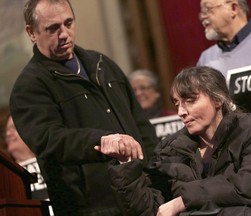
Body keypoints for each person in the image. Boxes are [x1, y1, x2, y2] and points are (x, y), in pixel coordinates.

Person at [9, 0, 158, 215]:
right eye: (53, 28)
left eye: (68, 23)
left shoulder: (102, 64)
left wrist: (155, 171)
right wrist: (101, 141)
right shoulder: (29, 87)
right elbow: (50, 140)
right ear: (31, 32)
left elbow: (140, 125)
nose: (64, 34)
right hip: (90, 206)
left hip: (141, 191)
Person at [96, 66, 251, 215]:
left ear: (217, 99)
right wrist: (125, 165)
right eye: (177, 104)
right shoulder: (170, 149)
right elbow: (151, 210)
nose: (181, 112)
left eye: (190, 101)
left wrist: (184, 201)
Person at [4, 113, 54, 215]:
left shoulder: (53, 161)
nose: (8, 134)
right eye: (7, 131)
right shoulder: (6, 174)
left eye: (14, 128)